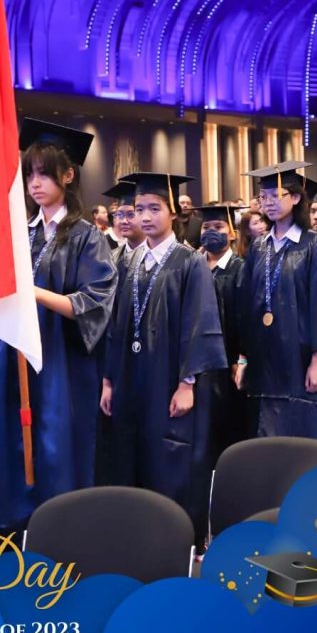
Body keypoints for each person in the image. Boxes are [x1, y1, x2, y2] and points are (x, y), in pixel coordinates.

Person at [0, 119, 116, 534]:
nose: (35, 184)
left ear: (68, 175)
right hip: (18, 354)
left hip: (63, 359)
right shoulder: (21, 234)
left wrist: (34, 293)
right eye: (29, 174)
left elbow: (94, 301)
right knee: (16, 439)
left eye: (44, 174)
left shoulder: (86, 236)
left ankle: (60, 535)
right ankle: (16, 533)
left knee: (57, 444)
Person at [100, 173, 227, 542]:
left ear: (173, 213)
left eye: (155, 208)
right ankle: (136, 539)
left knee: (171, 458)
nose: (145, 216)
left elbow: (200, 323)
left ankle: (176, 541)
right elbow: (115, 324)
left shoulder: (190, 262)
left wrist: (187, 383)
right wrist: (108, 379)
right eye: (139, 208)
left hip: (169, 378)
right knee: (132, 452)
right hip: (131, 377)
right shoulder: (129, 261)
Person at [235, 161, 317, 442]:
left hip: (300, 354)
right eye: (263, 197)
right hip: (265, 356)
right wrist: (244, 357)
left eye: (275, 195)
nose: (268, 203)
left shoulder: (313, 244)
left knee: (300, 430)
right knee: (266, 431)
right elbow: (246, 304)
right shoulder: (259, 246)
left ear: (295, 198)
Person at [196, 204, 247, 451]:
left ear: (232, 233)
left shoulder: (240, 269)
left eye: (218, 226)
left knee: (227, 425)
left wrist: (242, 358)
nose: (211, 232)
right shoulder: (192, 267)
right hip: (197, 363)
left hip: (229, 363)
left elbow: (245, 317)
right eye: (206, 227)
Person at [103, 180, 143, 263]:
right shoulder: (112, 258)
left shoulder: (156, 257)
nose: (124, 221)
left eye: (131, 215)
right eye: (120, 215)